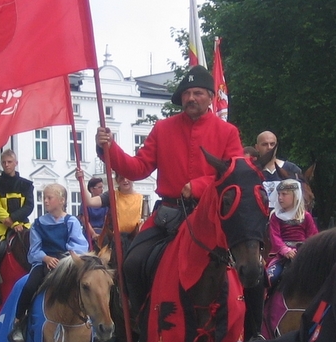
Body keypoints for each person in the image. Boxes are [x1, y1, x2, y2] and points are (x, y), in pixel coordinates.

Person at [95, 64, 245, 319]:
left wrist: (198, 185)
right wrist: (110, 149)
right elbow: (138, 168)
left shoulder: (228, 132)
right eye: (186, 94)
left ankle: (251, 332)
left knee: (250, 269)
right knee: (132, 263)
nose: (190, 98)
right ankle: (140, 318)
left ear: (210, 97)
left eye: (197, 93)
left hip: (211, 219)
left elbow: (234, 175)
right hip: (169, 215)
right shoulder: (163, 128)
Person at [9, 184, 89, 342]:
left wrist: (67, 258)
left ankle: (91, 320)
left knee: (87, 285)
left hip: (66, 262)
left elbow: (79, 245)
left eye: (49, 198)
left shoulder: (71, 221)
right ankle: (19, 322)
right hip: (44, 262)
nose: (45, 201)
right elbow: (34, 250)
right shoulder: (38, 224)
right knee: (30, 286)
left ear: (61, 200)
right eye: (43, 197)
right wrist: (45, 258)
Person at [0, 150, 34, 305]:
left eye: (9, 162)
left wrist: (17, 221)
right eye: (4, 162)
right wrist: (12, 223)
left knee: (37, 248)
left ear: (15, 163)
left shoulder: (26, 184)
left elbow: (29, 206)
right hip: (1, 226)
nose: (6, 165)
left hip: (23, 225)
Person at [266, 179, 318, 289]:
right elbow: (275, 236)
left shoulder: (306, 216)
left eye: (284, 194)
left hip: (303, 254)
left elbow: (313, 237)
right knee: (270, 278)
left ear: (295, 195)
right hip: (281, 256)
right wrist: (285, 250)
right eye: (279, 194)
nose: (280, 197)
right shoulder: (275, 217)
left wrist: (304, 250)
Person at [81, 173, 143, 253]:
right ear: (117, 179)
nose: (125, 180)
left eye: (128, 177)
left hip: (133, 241)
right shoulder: (111, 195)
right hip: (113, 242)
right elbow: (89, 202)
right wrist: (82, 180)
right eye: (121, 177)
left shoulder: (141, 199)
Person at [255, 131, 302, 207]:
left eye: (272, 144)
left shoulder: (292, 169)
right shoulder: (252, 170)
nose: (269, 147)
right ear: (257, 147)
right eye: (264, 144)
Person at [81, 177, 109, 246]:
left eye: (102, 187)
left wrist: (104, 234)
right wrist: (93, 234)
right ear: (92, 189)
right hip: (89, 235)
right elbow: (85, 221)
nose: (102, 190)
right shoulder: (85, 203)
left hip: (102, 234)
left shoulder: (105, 204)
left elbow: (107, 220)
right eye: (99, 187)